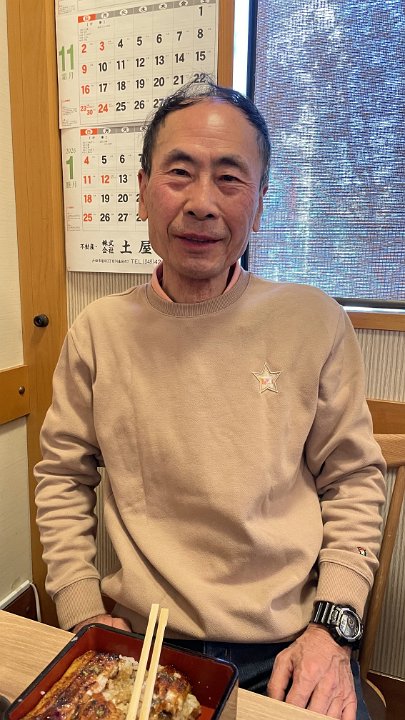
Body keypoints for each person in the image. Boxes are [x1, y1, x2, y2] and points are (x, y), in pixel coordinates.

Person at [35, 78, 386, 720]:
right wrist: (83, 611)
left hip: (288, 644)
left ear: (260, 203)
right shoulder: (99, 332)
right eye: (179, 172)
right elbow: (62, 476)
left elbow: (355, 480)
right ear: (143, 190)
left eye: (229, 178)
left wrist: (333, 630)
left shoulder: (313, 321)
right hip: (146, 645)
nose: (201, 203)